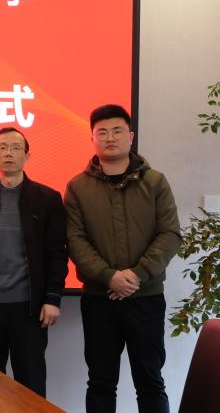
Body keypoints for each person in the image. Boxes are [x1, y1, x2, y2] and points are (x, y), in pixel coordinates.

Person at [66, 104, 181, 413]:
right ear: (92, 139)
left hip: (146, 297)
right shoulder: (78, 187)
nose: (110, 137)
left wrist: (136, 275)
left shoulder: (155, 182)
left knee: (150, 381)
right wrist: (109, 277)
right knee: (100, 382)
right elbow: (75, 240)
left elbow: (170, 234)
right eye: (102, 132)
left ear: (130, 136)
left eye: (117, 131)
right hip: (99, 299)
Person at [0, 126, 68, 396]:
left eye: (16, 148)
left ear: (27, 155)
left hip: (28, 308)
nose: (9, 153)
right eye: (3, 148)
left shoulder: (47, 198)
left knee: (30, 383)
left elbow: (57, 253)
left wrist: (53, 298)